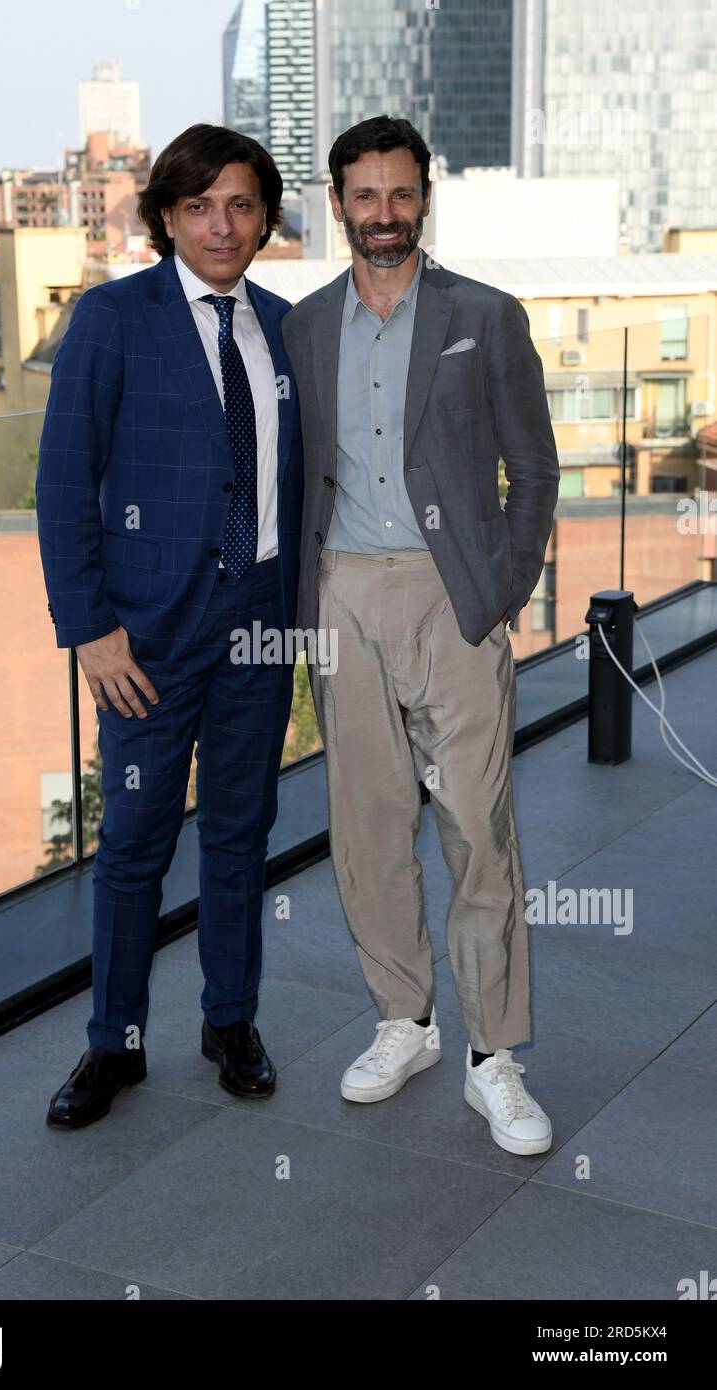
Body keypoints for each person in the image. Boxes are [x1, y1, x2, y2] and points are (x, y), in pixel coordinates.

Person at [281, 115, 559, 1156]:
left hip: (454, 595)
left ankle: (495, 1057)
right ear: (339, 202)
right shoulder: (304, 326)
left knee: (477, 826)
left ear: (423, 197)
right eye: (365, 196)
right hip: (341, 591)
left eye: (400, 194)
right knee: (365, 823)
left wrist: (498, 588)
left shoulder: (484, 316)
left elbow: (532, 471)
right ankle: (405, 1022)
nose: (383, 214)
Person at [36, 124, 303, 1127]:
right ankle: (115, 1044)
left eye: (239, 205)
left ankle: (229, 1021)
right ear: (165, 218)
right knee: (135, 843)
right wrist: (89, 628)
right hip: (144, 638)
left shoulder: (283, 327)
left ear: (264, 218)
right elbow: (61, 485)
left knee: (240, 833)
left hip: (261, 621)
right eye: (198, 206)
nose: (220, 224)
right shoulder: (111, 320)